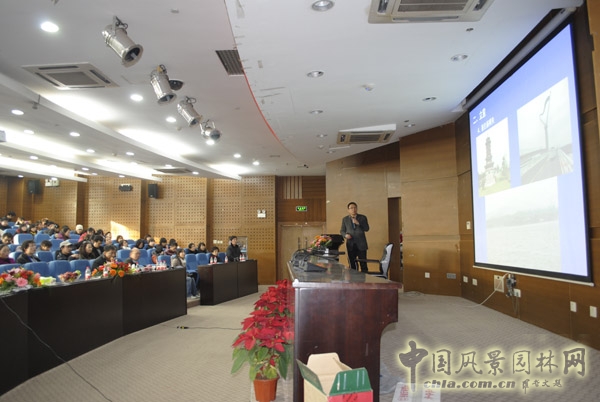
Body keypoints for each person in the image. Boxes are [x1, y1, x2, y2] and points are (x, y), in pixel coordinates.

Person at [340, 201, 370, 272]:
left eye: (355, 207)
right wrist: (345, 235)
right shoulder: (345, 219)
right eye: (351, 208)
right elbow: (342, 231)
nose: (353, 209)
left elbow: (367, 228)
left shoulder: (363, 217)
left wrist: (358, 223)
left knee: (363, 264)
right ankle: (354, 279)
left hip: (361, 244)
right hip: (351, 244)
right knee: (352, 265)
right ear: (348, 210)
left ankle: (364, 278)